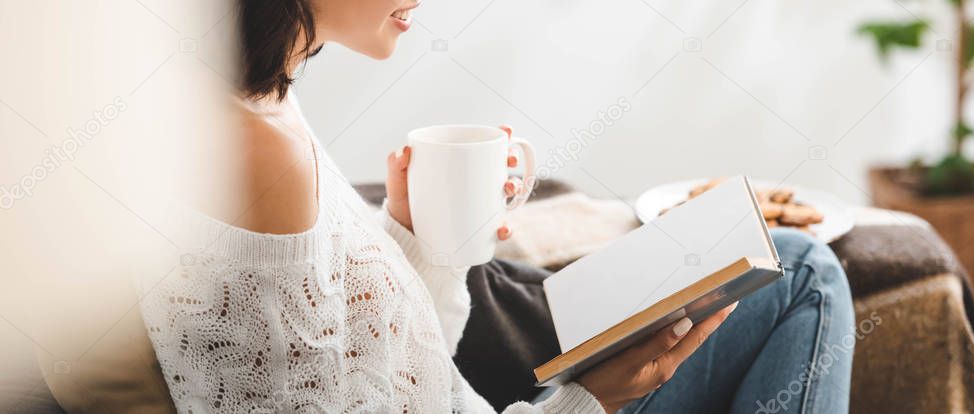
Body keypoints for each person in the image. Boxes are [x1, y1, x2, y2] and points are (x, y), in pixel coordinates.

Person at [140, 1, 856, 412]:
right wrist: (590, 400)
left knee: (786, 255)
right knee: (805, 277)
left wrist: (419, 241)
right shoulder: (260, 153)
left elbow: (381, 377)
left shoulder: (268, 98)